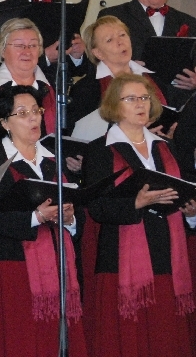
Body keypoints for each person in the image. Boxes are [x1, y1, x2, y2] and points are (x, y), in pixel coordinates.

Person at [82, 73, 196, 357]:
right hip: (122, 262)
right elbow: (97, 207)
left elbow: (182, 193)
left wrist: (191, 214)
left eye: (144, 98)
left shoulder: (166, 146)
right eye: (131, 98)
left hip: (167, 257)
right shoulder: (100, 150)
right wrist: (136, 202)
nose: (140, 104)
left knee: (164, 341)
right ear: (114, 104)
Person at [0, 85, 88, 357]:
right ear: (5, 122)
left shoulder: (54, 158)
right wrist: (37, 217)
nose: (33, 118)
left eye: (36, 111)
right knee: (22, 340)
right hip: (15, 263)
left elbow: (77, 207)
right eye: (22, 113)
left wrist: (71, 218)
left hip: (59, 262)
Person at [98, 0, 196, 104]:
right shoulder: (113, 17)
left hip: (180, 108)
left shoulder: (188, 22)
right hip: (131, 104)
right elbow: (98, 65)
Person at [69, 15, 168, 128]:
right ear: (98, 53)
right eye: (109, 40)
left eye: (122, 35)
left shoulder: (154, 79)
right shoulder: (85, 89)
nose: (120, 42)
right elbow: (81, 133)